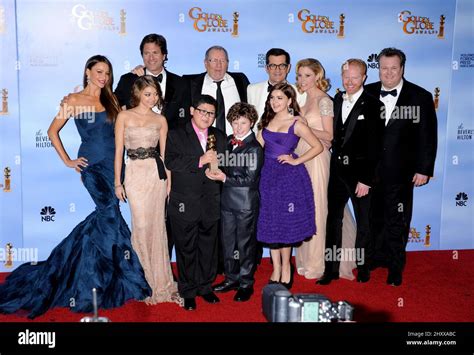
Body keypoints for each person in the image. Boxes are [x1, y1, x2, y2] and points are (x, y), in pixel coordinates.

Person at [0, 55, 151, 318]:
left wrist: (136, 73)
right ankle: (110, 278)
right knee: (110, 214)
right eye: (99, 71)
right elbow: (51, 131)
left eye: (107, 73)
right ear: (88, 72)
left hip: (115, 166)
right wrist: (68, 160)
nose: (103, 77)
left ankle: (78, 269)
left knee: (105, 219)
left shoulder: (111, 99)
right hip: (91, 167)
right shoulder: (71, 101)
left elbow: (126, 116)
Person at [365, 48, 437, 286]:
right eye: (384, 68)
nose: (388, 73)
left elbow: (428, 136)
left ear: (402, 68)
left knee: (397, 219)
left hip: (402, 172)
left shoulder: (420, 96)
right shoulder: (367, 92)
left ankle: (395, 267)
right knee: (372, 218)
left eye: (393, 68)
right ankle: (375, 257)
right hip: (371, 173)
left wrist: (424, 168)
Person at [114, 76, 181, 305]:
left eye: (155, 94)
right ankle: (142, 281)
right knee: (141, 225)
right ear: (137, 94)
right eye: (147, 94)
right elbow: (118, 152)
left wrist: (169, 183)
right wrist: (117, 182)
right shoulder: (124, 116)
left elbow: (166, 155)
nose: (152, 98)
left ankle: (160, 282)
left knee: (156, 226)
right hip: (133, 173)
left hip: (156, 175)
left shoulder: (160, 120)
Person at [317, 59, 384, 285]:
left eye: (355, 77)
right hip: (337, 171)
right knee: (332, 221)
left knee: (364, 223)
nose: (350, 81)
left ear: (364, 77)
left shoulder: (374, 104)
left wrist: (366, 179)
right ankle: (331, 270)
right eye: (346, 77)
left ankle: (363, 268)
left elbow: (376, 146)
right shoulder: (337, 99)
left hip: (361, 175)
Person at [294, 58, 358, 281]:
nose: (303, 80)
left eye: (308, 75)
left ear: (317, 77)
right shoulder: (303, 100)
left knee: (319, 209)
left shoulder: (325, 102)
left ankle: (319, 262)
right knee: (306, 209)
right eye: (300, 75)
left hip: (318, 159)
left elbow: (330, 136)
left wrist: (304, 127)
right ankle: (305, 258)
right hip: (302, 157)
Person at [257, 82, 323, 289]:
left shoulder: (297, 122)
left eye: (279, 98)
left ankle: (286, 267)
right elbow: (258, 146)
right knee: (270, 223)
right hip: (267, 176)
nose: (274, 102)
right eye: (272, 98)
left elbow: (318, 146)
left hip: (288, 178)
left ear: (289, 101)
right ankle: (275, 268)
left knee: (285, 224)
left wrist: (296, 160)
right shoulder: (266, 120)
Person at [165, 95, 226, 310]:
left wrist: (222, 173)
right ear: (192, 110)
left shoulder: (219, 135)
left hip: (211, 200)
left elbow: (227, 162)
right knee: (186, 247)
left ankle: (205, 287)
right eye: (202, 111)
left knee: (208, 247)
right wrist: (199, 161)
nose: (206, 116)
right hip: (184, 201)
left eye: (211, 113)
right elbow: (170, 160)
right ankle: (188, 290)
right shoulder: (175, 133)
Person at [207, 103, 264, 302]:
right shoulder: (228, 141)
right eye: (235, 122)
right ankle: (231, 278)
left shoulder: (255, 148)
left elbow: (250, 179)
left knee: (245, 245)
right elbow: (222, 164)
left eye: (243, 123)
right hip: (227, 202)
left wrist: (223, 178)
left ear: (251, 123)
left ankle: (246, 283)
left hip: (245, 203)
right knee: (228, 243)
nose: (238, 127)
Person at [115, 33, 187, 129]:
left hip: (170, 142)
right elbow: (114, 106)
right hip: (134, 141)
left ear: (164, 55)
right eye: (146, 53)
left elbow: (184, 120)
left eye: (155, 53)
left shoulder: (181, 84)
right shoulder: (128, 80)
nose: (151, 58)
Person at [182, 45, 250, 136]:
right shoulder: (189, 83)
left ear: (228, 63)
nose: (219, 65)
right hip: (201, 144)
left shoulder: (240, 80)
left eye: (222, 61)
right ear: (206, 63)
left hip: (236, 143)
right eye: (214, 60)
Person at [247, 48, 306, 121]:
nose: (277, 70)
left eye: (282, 65)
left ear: (288, 68)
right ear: (266, 68)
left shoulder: (300, 93)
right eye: (273, 66)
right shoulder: (252, 90)